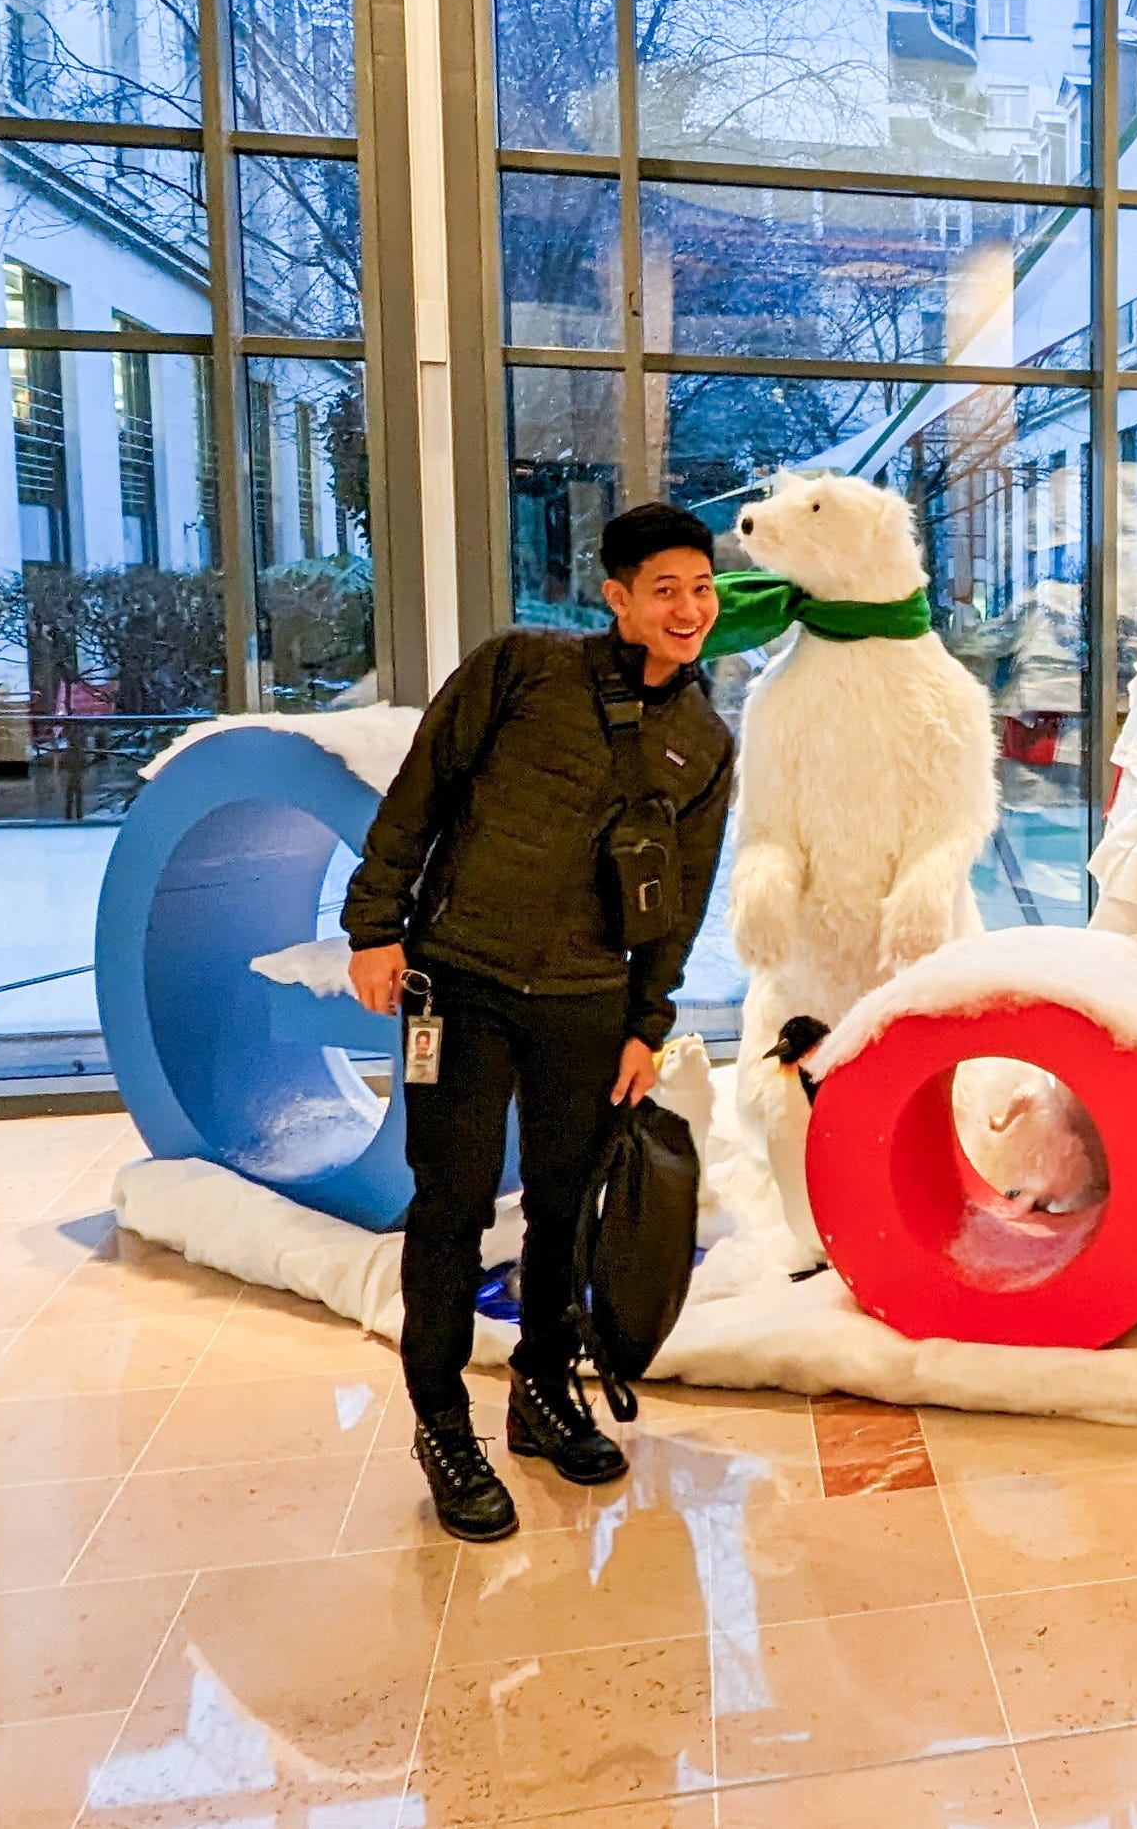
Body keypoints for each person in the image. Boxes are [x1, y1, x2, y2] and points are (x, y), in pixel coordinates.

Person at [342, 503, 736, 1541]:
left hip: (588, 1002)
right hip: (459, 981)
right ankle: (440, 1421)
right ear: (615, 597)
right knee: (452, 1204)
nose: (690, 608)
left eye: (702, 587)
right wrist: (374, 925)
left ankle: (542, 1386)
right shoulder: (519, 668)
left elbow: (680, 900)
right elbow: (419, 794)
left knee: (566, 1203)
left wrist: (647, 1022)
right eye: (666, 588)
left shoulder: (704, 740)